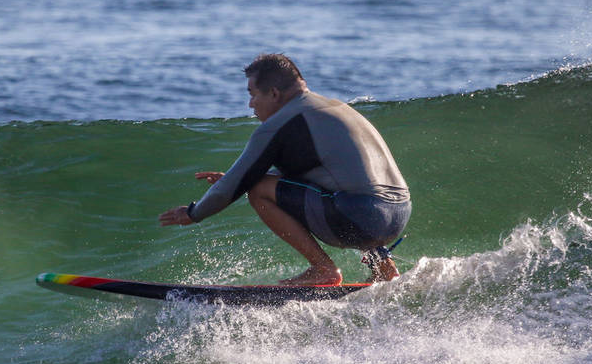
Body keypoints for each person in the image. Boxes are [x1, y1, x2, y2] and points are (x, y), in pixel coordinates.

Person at [158, 54, 411, 285]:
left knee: (257, 189)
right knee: (340, 189)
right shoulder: (333, 108)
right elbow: (326, 175)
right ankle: (385, 268)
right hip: (397, 214)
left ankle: (323, 268)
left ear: (274, 94)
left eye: (252, 94)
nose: (250, 104)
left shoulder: (282, 122)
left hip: (361, 217)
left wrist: (194, 213)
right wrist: (241, 180)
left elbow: (237, 184)